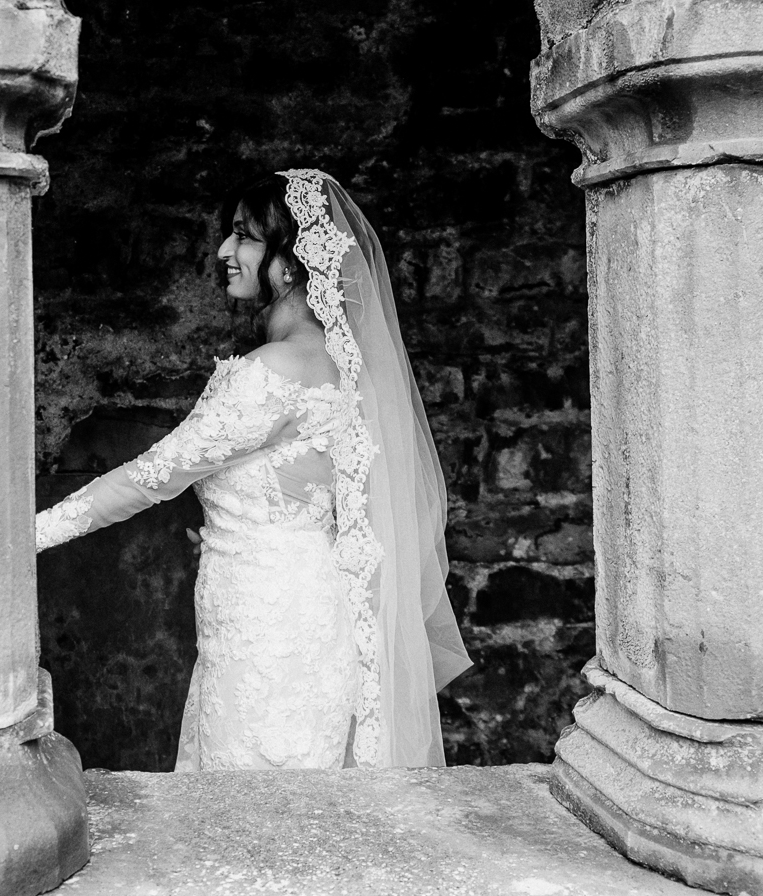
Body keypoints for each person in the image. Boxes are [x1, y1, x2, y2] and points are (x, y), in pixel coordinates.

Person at [34, 168, 469, 769]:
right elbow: (322, 504)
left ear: (288, 262)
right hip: (303, 606)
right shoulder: (339, 366)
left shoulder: (271, 374)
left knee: (253, 791)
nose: (223, 252)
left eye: (242, 236)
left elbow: (149, 477)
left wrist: (27, 536)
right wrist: (233, 534)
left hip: (269, 630)